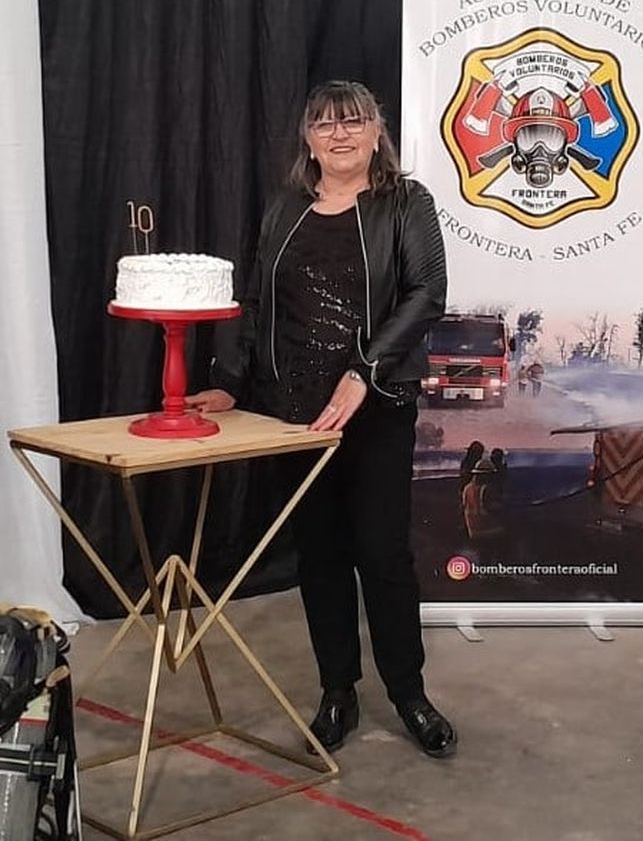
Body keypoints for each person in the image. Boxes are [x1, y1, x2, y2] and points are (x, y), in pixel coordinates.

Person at [188, 80, 455, 759]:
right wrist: (232, 385)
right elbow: (257, 300)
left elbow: (428, 294)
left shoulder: (406, 202)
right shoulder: (286, 208)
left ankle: (409, 694)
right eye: (325, 124)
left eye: (353, 122)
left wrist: (364, 371)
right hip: (294, 416)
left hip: (374, 407)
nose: (340, 135)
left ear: (377, 131)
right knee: (322, 557)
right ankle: (338, 689)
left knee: (384, 556)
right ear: (307, 138)